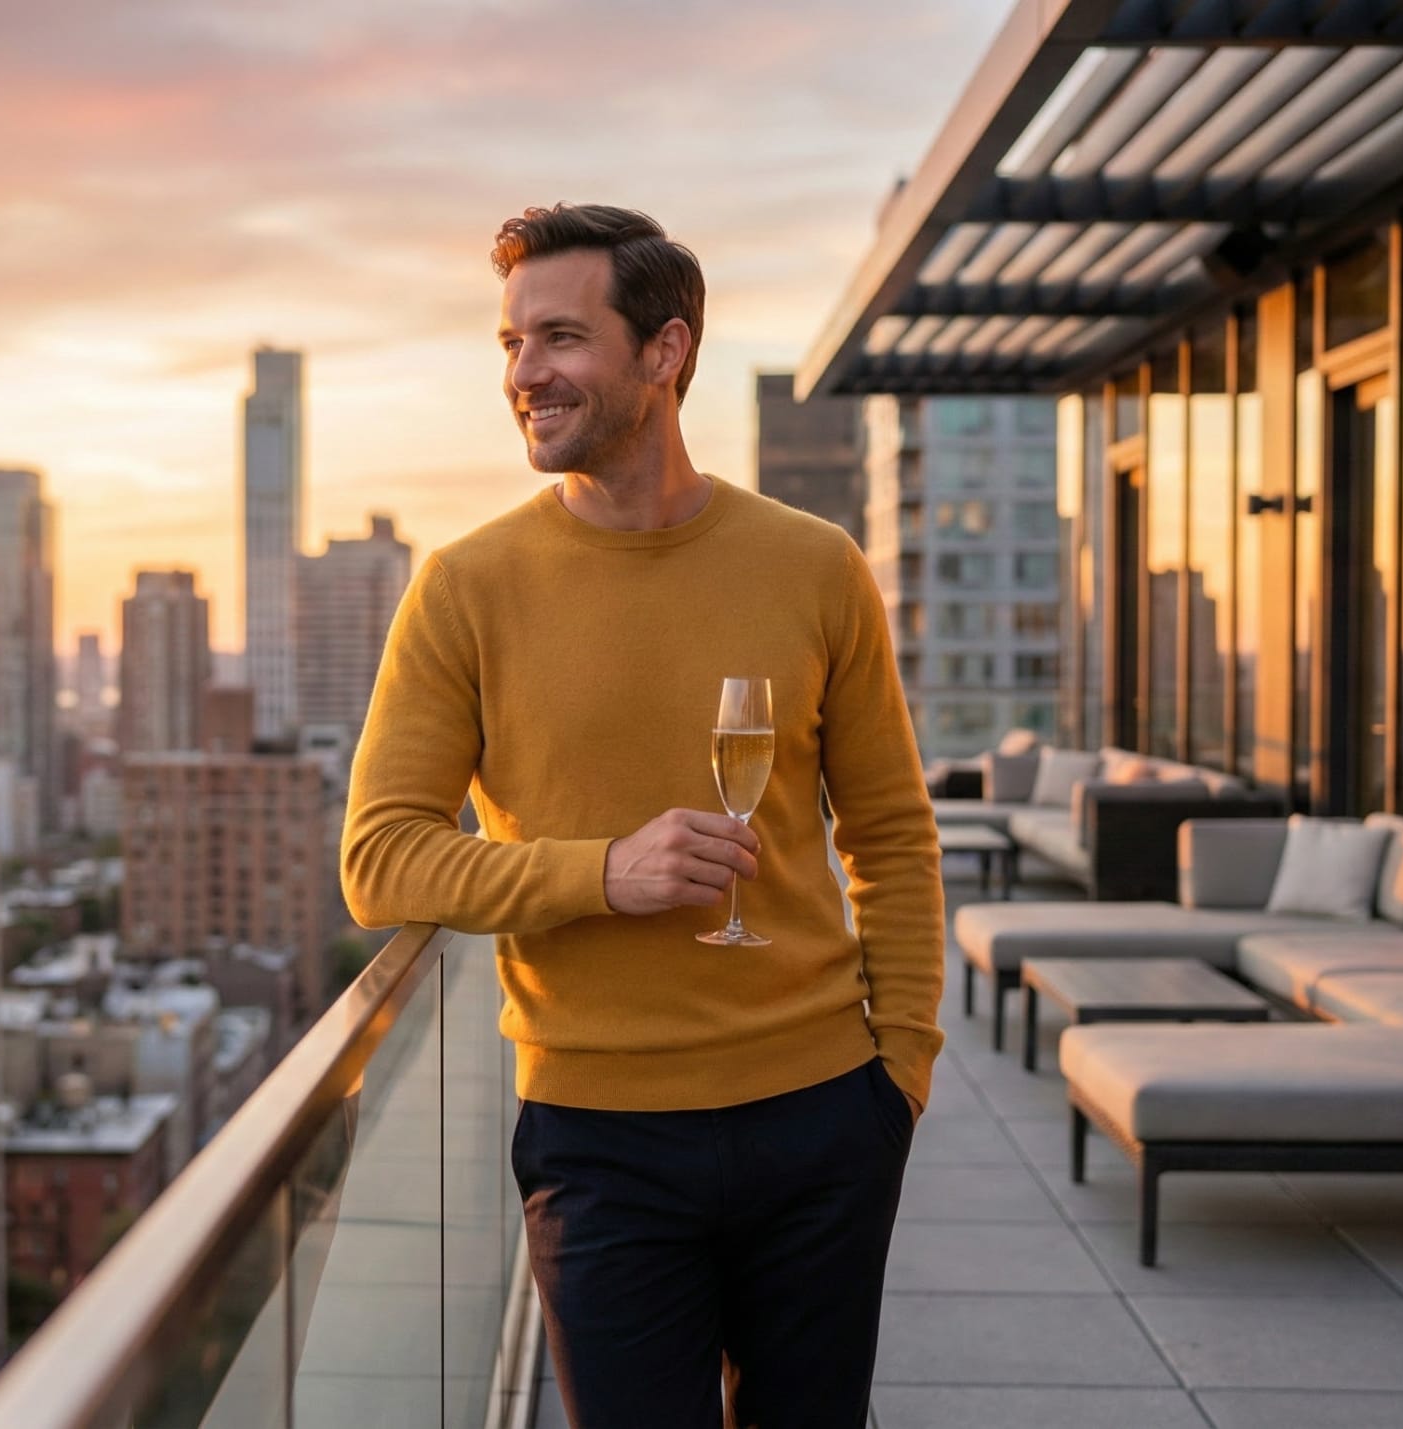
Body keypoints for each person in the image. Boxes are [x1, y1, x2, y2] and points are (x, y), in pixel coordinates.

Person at [340, 203, 944, 1429]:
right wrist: (599, 873)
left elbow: (888, 834)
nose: (522, 375)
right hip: (599, 1139)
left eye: (557, 337)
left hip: (822, 1116)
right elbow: (379, 858)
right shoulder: (463, 590)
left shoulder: (814, 565)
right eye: (510, 344)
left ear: (663, 354)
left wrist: (902, 1075)